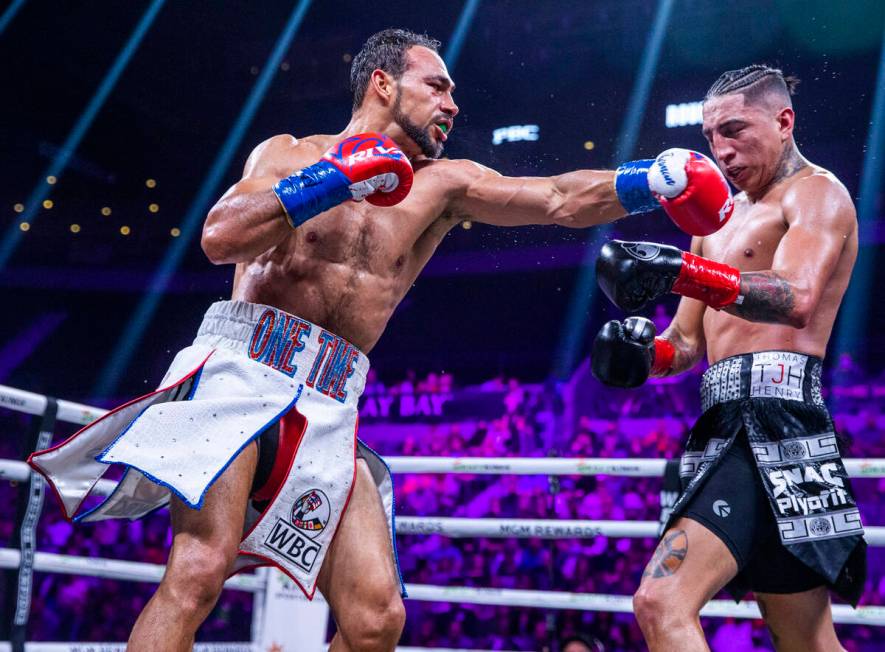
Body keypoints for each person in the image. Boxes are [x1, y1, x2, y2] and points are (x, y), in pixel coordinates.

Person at [29, 29, 731, 652]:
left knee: (376, 620)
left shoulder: (444, 185)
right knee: (200, 570)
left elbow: (554, 197)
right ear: (383, 83)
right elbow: (219, 239)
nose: (452, 104)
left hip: (333, 401)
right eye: (437, 85)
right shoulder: (289, 152)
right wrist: (332, 179)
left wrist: (649, 182)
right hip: (243, 370)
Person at [591, 64, 866, 650]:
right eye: (711, 137)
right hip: (722, 423)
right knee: (807, 642)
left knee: (661, 601)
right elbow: (688, 344)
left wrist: (683, 271)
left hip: (783, 421)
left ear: (784, 121)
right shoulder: (713, 222)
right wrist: (644, 353)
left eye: (736, 130)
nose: (721, 150)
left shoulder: (818, 193)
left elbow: (797, 298)